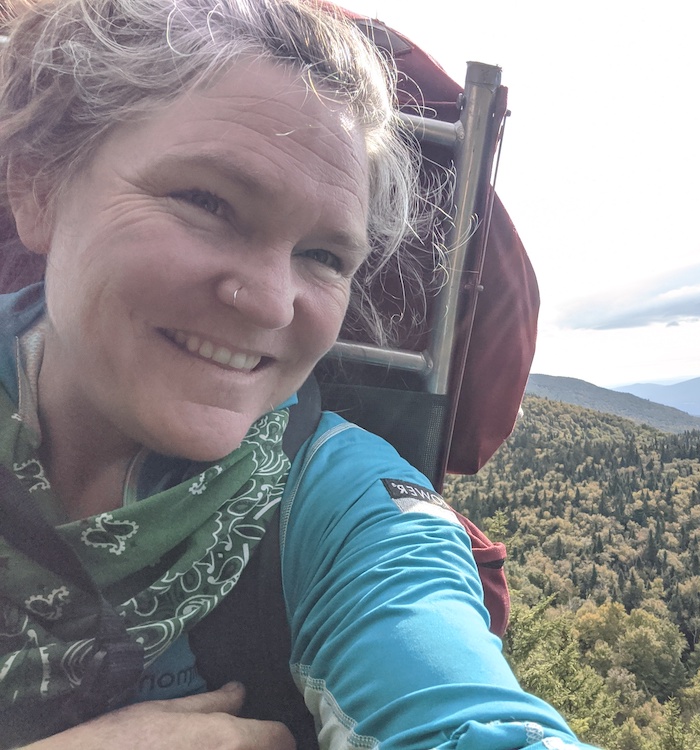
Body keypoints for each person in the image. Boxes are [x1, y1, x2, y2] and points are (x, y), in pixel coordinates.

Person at [0, 0, 597, 748]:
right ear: (38, 188)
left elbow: (459, 715)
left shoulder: (347, 508)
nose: (271, 302)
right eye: (208, 201)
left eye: (323, 256)